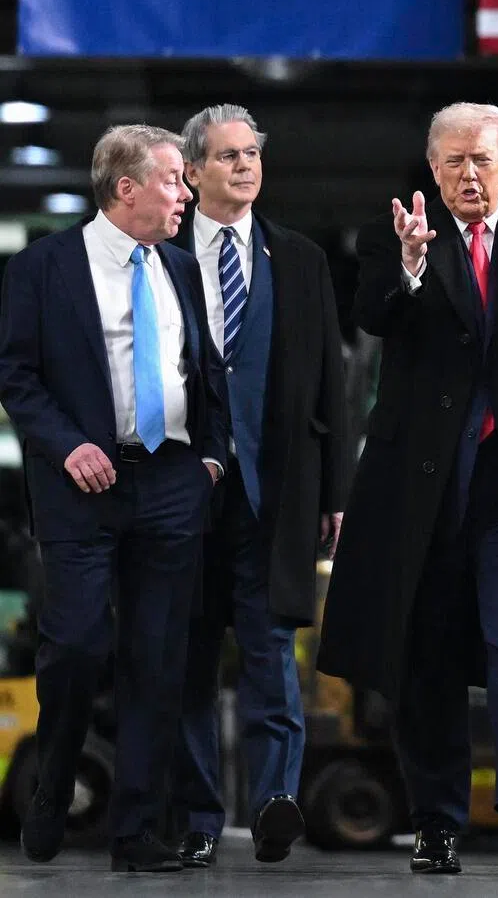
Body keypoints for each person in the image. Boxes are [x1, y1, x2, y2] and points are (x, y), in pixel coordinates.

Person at [317, 102, 498, 876]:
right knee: (429, 657)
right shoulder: (395, 234)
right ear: (432, 168)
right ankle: (436, 823)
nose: (467, 174)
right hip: (419, 490)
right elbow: (373, 310)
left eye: (481, 159)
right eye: (451, 161)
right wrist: (412, 268)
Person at [0, 125, 226, 872]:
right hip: (80, 487)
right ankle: (52, 782)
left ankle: (134, 830)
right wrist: (68, 445)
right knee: (78, 647)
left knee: (158, 660)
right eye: (172, 180)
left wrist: (213, 460)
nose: (186, 193)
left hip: (170, 482)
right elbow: (17, 377)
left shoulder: (185, 268)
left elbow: (204, 371)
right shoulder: (43, 267)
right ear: (125, 188)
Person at [169, 104, 350, 866]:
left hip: (275, 494)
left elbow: (330, 384)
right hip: (178, 497)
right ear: (192, 171)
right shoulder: (159, 251)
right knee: (186, 658)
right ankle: (198, 818)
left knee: (273, 653)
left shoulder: (300, 258)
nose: (245, 166)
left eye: (252, 154)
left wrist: (337, 491)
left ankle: (276, 802)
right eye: (227, 156)